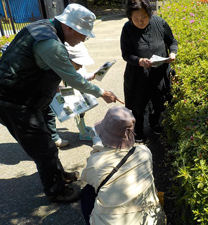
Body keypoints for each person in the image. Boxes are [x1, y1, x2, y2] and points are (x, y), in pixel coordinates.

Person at [0, 3, 123, 203]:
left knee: (47, 142)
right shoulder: (51, 44)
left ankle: (58, 175)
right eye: (83, 34)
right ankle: (56, 191)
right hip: (15, 104)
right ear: (69, 28)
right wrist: (102, 93)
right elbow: (74, 78)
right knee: (44, 149)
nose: (84, 39)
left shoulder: (42, 26)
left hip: (25, 98)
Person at [80, 105, 166, 225]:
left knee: (87, 192)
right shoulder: (144, 152)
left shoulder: (96, 162)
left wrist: (97, 150)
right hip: (151, 220)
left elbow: (89, 179)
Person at [120, 0, 178, 142]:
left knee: (158, 100)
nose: (140, 22)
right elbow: (126, 54)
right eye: (136, 19)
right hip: (137, 74)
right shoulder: (127, 28)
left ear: (150, 14)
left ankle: (155, 124)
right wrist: (139, 61)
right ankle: (138, 130)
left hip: (159, 73)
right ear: (130, 18)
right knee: (138, 104)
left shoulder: (159, 23)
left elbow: (172, 41)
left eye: (143, 18)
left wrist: (173, 53)